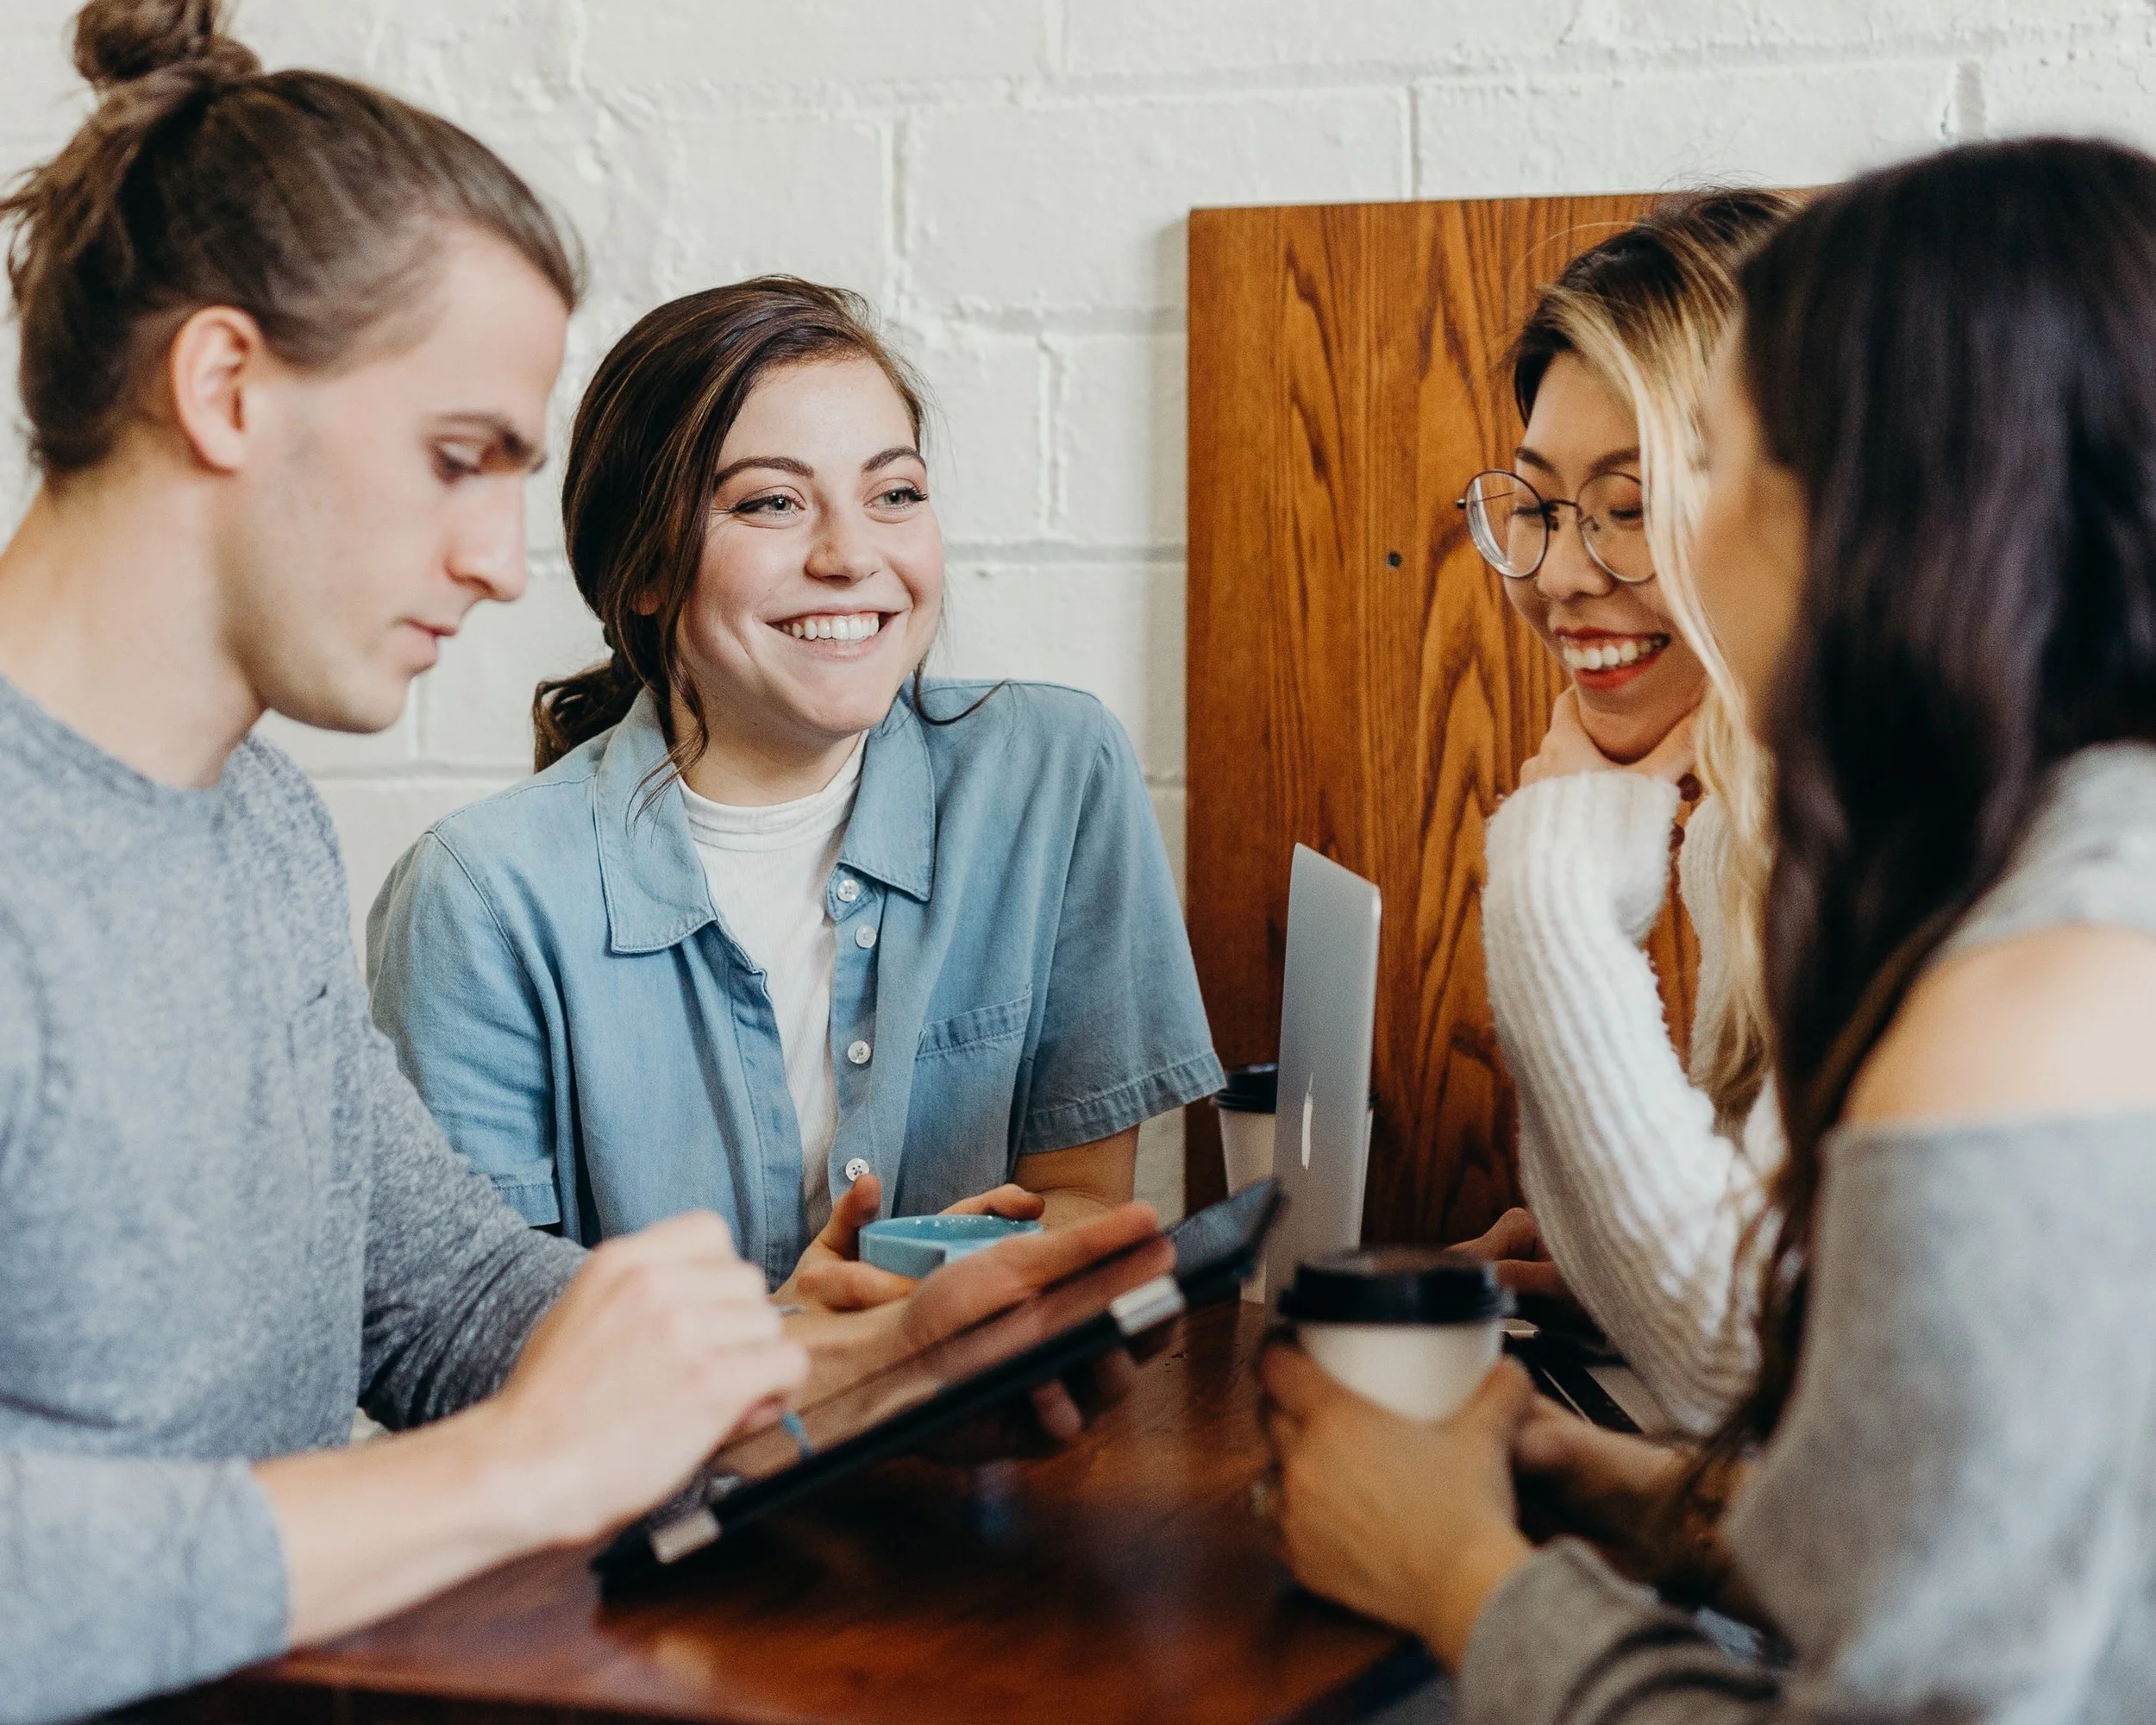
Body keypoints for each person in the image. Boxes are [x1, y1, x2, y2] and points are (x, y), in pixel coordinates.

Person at [0, 7, 1159, 1719]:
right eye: (457, 459)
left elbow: (443, 1295)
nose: (493, 561)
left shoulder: (248, 830)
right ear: (224, 386)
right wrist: (516, 1474)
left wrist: (821, 1369)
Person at [1263, 135, 2156, 1718]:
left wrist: (1464, 1580)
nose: (1592, 567)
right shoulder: (2058, 878)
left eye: (1711, 464)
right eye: (1542, 506)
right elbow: (1983, 1570)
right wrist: (1642, 1505)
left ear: (1898, 510)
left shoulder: (2037, 1000)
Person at [367, 277, 1225, 1303]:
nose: (852, 555)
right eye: (772, 501)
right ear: (640, 569)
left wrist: (949, 1292)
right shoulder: (478, 897)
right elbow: (475, 1337)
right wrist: (800, 1346)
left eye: (893, 493)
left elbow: (1082, 1198)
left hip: (981, 1444)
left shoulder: (1052, 774)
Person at [1457, 191, 1794, 1433]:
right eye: (1539, 505)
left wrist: (1550, 884)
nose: (1556, 574)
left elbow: (1735, 1367)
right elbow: (1764, 1320)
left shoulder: (1894, 840)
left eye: (1631, 504)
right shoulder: (1744, 828)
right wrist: (1608, 1261)